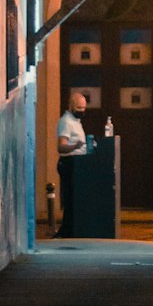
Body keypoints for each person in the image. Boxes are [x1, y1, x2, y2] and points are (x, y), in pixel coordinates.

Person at [56, 90, 88, 237]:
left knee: (75, 198)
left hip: (77, 163)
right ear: (71, 106)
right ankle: (67, 230)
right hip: (69, 162)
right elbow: (61, 146)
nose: (82, 111)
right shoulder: (67, 122)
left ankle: (71, 229)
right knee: (70, 198)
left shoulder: (76, 122)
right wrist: (75, 147)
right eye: (79, 108)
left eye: (84, 108)